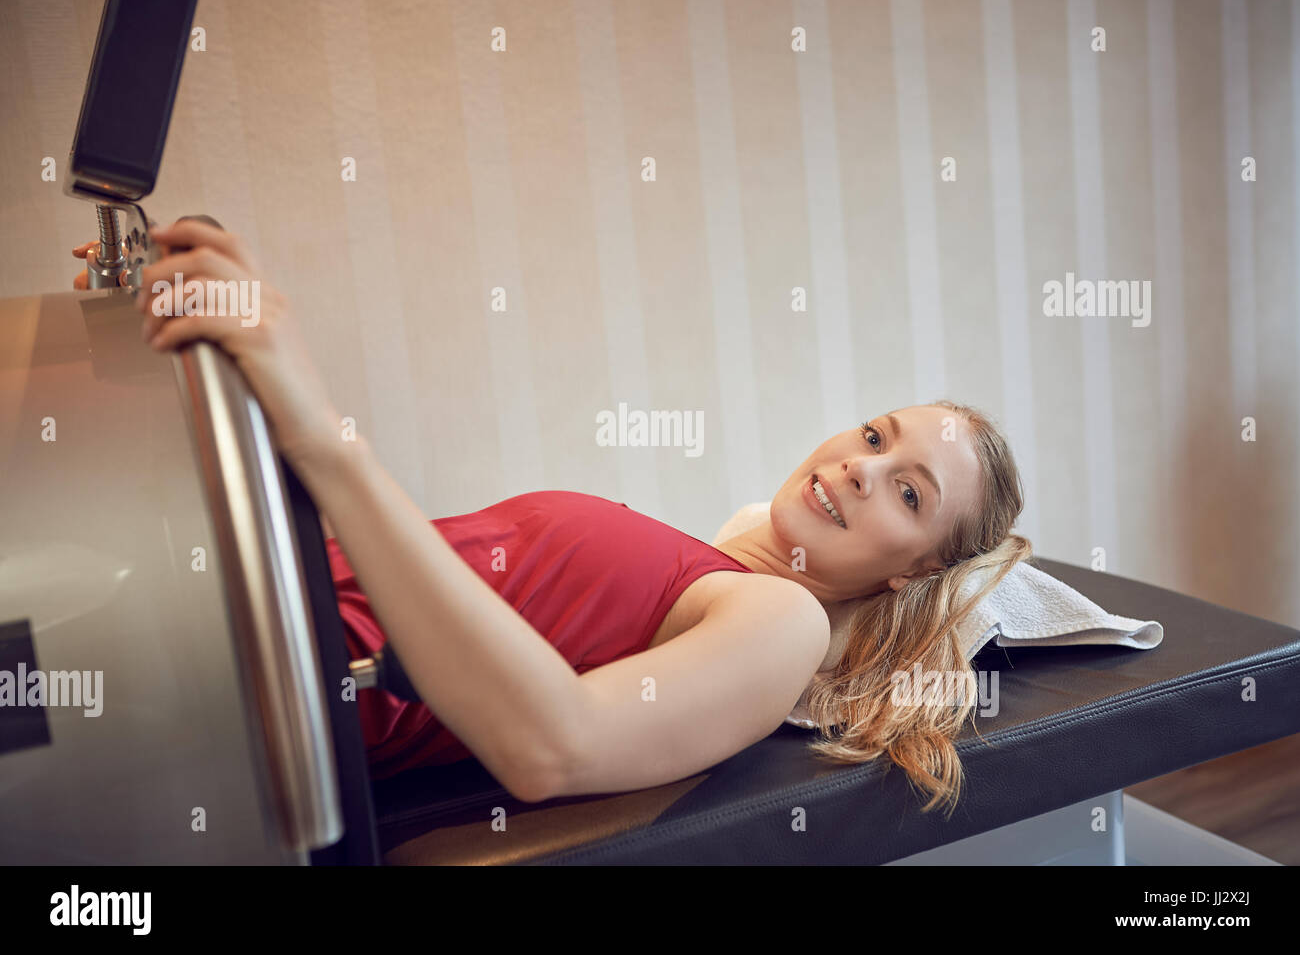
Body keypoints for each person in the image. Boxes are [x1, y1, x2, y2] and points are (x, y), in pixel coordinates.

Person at [74, 219, 1030, 816]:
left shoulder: (785, 622)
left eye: (909, 492)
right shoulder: (698, 556)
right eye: (874, 436)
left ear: (913, 569)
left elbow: (553, 745)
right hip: (216, 629)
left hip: (242, 706)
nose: (863, 470)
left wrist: (317, 428)